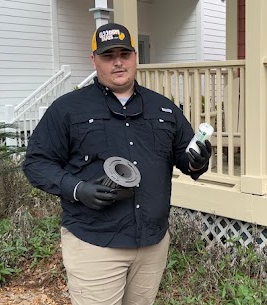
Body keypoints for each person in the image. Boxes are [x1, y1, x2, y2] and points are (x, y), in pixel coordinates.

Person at [23, 22, 212, 305]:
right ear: (94, 61)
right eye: (108, 56)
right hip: (95, 243)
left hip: (152, 242)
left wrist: (199, 161)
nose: (118, 62)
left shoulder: (164, 108)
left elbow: (187, 161)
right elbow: (36, 162)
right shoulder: (68, 109)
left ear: (135, 56)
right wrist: (77, 189)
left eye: (124, 53)